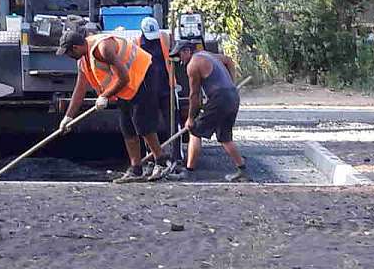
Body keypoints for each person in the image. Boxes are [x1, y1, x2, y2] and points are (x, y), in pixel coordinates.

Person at [56, 29, 169, 183]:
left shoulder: (103, 48)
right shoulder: (82, 61)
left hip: (143, 76)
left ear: (75, 48)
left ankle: (161, 161)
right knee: (127, 127)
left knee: (142, 123)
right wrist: (68, 117)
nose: (68, 57)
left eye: (67, 53)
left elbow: (124, 77)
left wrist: (104, 95)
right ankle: (136, 169)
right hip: (125, 87)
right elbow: (80, 89)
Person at [170, 41, 247, 182]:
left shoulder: (193, 64)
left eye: (179, 55)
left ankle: (189, 171)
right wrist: (232, 84)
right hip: (232, 96)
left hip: (220, 98)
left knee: (195, 131)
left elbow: (194, 95)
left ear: (187, 51)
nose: (180, 60)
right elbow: (228, 60)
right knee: (225, 137)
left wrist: (191, 118)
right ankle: (242, 170)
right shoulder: (207, 55)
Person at [138, 17, 178, 167]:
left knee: (172, 124)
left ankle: (176, 157)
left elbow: (173, 55)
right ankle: (152, 157)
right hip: (148, 90)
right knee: (148, 125)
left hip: (166, 87)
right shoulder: (137, 43)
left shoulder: (164, 38)